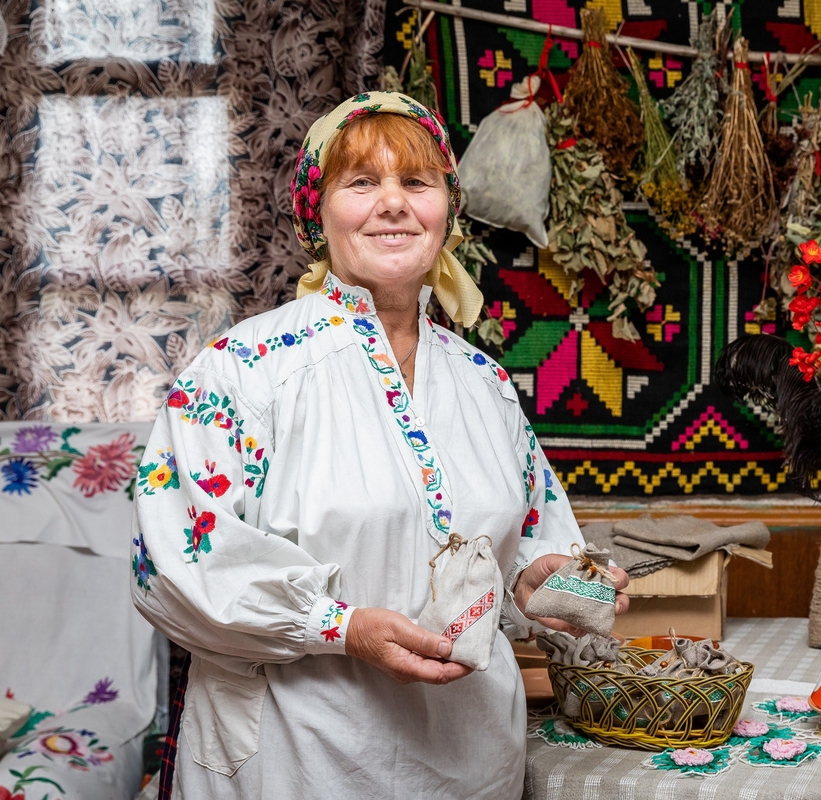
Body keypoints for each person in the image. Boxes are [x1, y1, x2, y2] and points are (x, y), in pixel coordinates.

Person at [131, 91, 629, 799]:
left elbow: (525, 564)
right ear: (319, 211)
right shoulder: (243, 372)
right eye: (362, 183)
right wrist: (340, 626)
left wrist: (553, 584)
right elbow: (173, 565)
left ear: (446, 211)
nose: (393, 204)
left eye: (417, 183)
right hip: (297, 764)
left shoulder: (485, 387)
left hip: (471, 764)